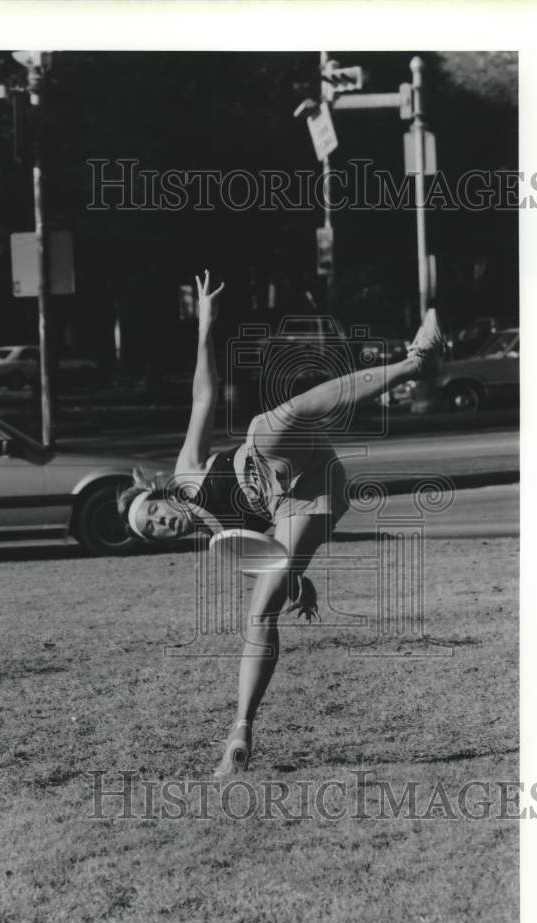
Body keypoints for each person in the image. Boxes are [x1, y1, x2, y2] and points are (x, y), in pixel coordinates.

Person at [118, 270, 445, 777]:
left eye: (154, 514)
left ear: (159, 495)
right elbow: (272, 555)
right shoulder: (223, 541)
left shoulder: (187, 472)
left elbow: (202, 398)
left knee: (266, 425)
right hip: (314, 493)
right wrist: (296, 579)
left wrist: (205, 326)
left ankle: (413, 364)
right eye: (154, 531)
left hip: (286, 454)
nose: (162, 524)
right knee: (257, 612)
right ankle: (240, 732)